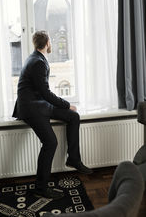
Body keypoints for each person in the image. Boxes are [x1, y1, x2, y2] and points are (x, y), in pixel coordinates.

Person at [12, 30, 92, 200]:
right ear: (47, 43)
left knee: (73, 117)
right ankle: (40, 188)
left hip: (39, 105)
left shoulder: (35, 58)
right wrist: (67, 104)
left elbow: (43, 93)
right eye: (50, 42)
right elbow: (46, 93)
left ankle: (74, 159)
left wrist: (66, 108)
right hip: (33, 108)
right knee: (50, 143)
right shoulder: (38, 62)